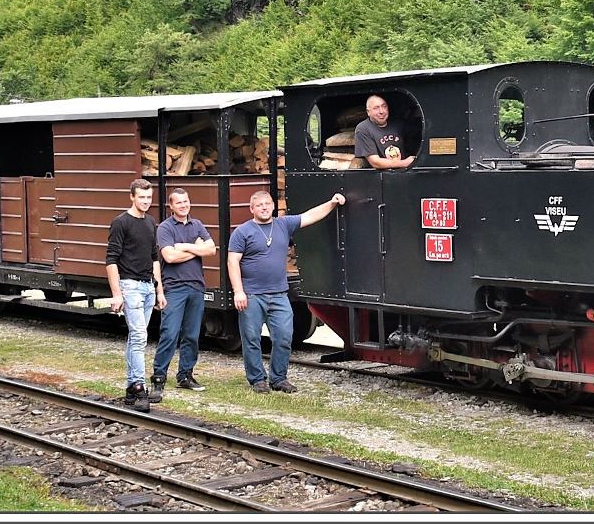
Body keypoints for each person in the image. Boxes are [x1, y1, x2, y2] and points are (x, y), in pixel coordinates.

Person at [227, 190, 346, 393]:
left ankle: (279, 379)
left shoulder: (283, 224)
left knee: (283, 336)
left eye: (267, 203)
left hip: (279, 294)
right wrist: (239, 291)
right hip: (252, 295)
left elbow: (310, 216)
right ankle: (257, 380)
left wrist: (332, 202)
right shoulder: (242, 232)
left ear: (273, 206)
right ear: (252, 209)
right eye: (259, 205)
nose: (264, 207)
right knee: (252, 339)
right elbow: (232, 261)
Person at [151, 188, 217, 397]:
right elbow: (169, 257)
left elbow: (212, 250)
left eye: (186, 201)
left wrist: (185, 246)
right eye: (178, 202)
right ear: (171, 206)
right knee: (169, 333)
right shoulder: (164, 228)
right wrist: (196, 249)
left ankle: (185, 375)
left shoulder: (197, 224)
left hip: (196, 287)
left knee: (192, 335)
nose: (183, 205)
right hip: (174, 288)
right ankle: (159, 376)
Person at [105, 178, 163, 412]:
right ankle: (139, 387)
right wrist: (116, 293)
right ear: (132, 197)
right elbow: (111, 260)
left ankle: (132, 387)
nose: (146, 202)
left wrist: (159, 290)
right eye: (142, 197)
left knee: (138, 336)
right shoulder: (121, 222)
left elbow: (154, 257)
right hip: (129, 286)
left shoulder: (150, 222)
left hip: (148, 286)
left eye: (149, 198)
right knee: (139, 336)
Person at [354, 94, 415, 169]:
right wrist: (405, 163)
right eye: (376, 108)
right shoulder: (363, 128)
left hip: (404, 174)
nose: (381, 111)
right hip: (379, 178)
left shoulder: (399, 124)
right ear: (368, 112)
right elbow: (375, 162)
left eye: (384, 106)